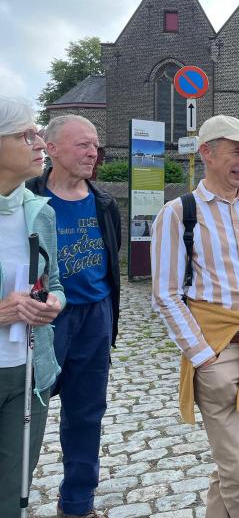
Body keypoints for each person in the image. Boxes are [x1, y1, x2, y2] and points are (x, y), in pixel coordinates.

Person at [151, 115, 239, 518]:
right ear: (207, 153)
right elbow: (165, 294)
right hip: (218, 356)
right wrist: (202, 359)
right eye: (236, 150)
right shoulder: (180, 214)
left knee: (235, 466)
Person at [27, 114, 121, 518]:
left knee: (86, 413)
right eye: (83, 144)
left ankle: (78, 504)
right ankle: (13, 497)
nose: (92, 152)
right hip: (43, 321)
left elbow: (111, 263)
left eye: (96, 144)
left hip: (94, 318)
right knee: (24, 413)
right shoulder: (26, 198)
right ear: (52, 148)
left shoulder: (104, 203)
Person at [0, 96, 65, 516]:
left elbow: (54, 283)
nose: (40, 142)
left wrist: (53, 303)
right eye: (27, 134)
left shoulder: (39, 211)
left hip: (29, 374)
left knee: (13, 491)